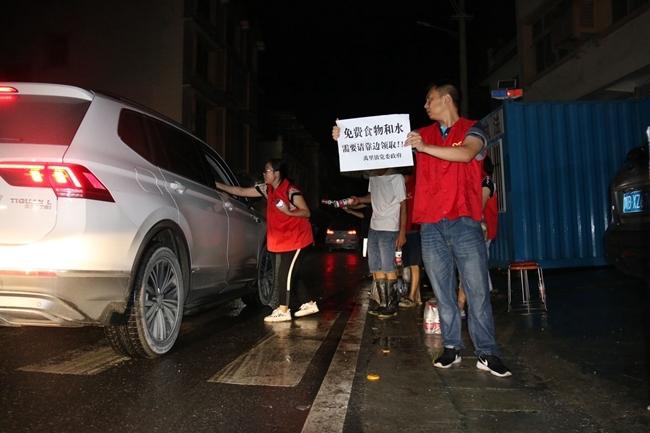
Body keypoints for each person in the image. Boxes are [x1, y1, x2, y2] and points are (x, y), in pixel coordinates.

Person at [405, 83, 511, 377]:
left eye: (430, 100)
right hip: (430, 224)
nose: (425, 106)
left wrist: (424, 148)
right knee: (442, 291)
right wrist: (343, 141)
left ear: (447, 99)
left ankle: (487, 352)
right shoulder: (420, 135)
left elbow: (466, 154)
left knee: (476, 290)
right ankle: (451, 347)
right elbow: (381, 153)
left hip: (464, 222)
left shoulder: (473, 130)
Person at [215, 159, 318, 323]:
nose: (264, 174)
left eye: (267, 171)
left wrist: (288, 211)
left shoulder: (291, 191)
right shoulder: (266, 189)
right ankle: (308, 304)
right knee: (292, 273)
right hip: (285, 240)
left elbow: (306, 213)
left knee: (285, 273)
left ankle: (283, 310)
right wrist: (217, 185)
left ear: (277, 173)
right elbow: (240, 191)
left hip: (298, 238)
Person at [457, 154, 498, 316]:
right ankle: (478, 306)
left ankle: (463, 307)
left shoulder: (486, 182)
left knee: (470, 270)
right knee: (476, 270)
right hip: (476, 231)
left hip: (480, 232)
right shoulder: (476, 183)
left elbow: (478, 208)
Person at [398, 168, 423, 308]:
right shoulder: (400, 186)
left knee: (414, 263)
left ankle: (412, 297)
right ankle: (417, 296)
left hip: (415, 229)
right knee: (408, 263)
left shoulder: (416, 183)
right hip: (404, 231)